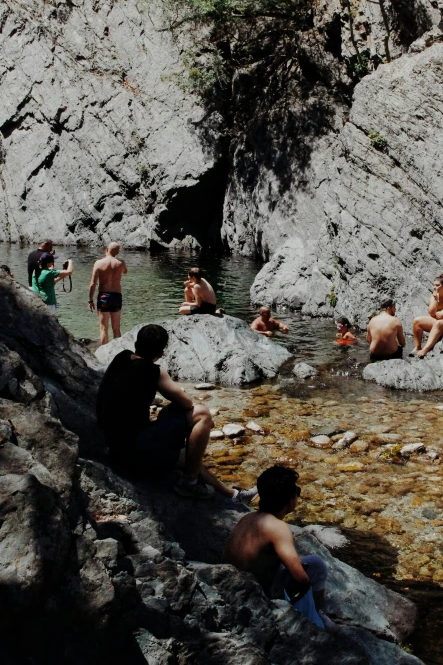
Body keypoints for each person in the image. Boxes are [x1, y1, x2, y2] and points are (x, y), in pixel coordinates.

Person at [96, 324, 256, 502]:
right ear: (161, 352)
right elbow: (187, 403)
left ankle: (233, 495)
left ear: (136, 343)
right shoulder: (153, 371)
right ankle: (190, 483)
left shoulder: (121, 357)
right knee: (202, 414)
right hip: (135, 447)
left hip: (113, 445)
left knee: (187, 458)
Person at [222, 466, 328, 626]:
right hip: (253, 596)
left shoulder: (248, 517)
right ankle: (314, 618)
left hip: (228, 583)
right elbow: (301, 578)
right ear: (289, 499)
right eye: (296, 491)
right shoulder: (278, 528)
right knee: (317, 565)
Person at [411, 274, 443, 358]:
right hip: (437, 321)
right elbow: (431, 313)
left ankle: (425, 349)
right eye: (434, 285)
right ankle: (417, 347)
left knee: (439, 324)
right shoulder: (434, 295)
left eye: (437, 285)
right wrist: (435, 299)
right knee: (417, 321)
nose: (435, 287)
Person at [88, 242, 127, 345]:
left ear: (106, 249)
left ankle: (103, 353)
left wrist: (90, 300)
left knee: (103, 328)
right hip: (117, 296)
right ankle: (118, 352)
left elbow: (92, 284)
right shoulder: (120, 263)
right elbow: (125, 271)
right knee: (116, 328)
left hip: (104, 296)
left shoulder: (98, 263)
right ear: (118, 252)